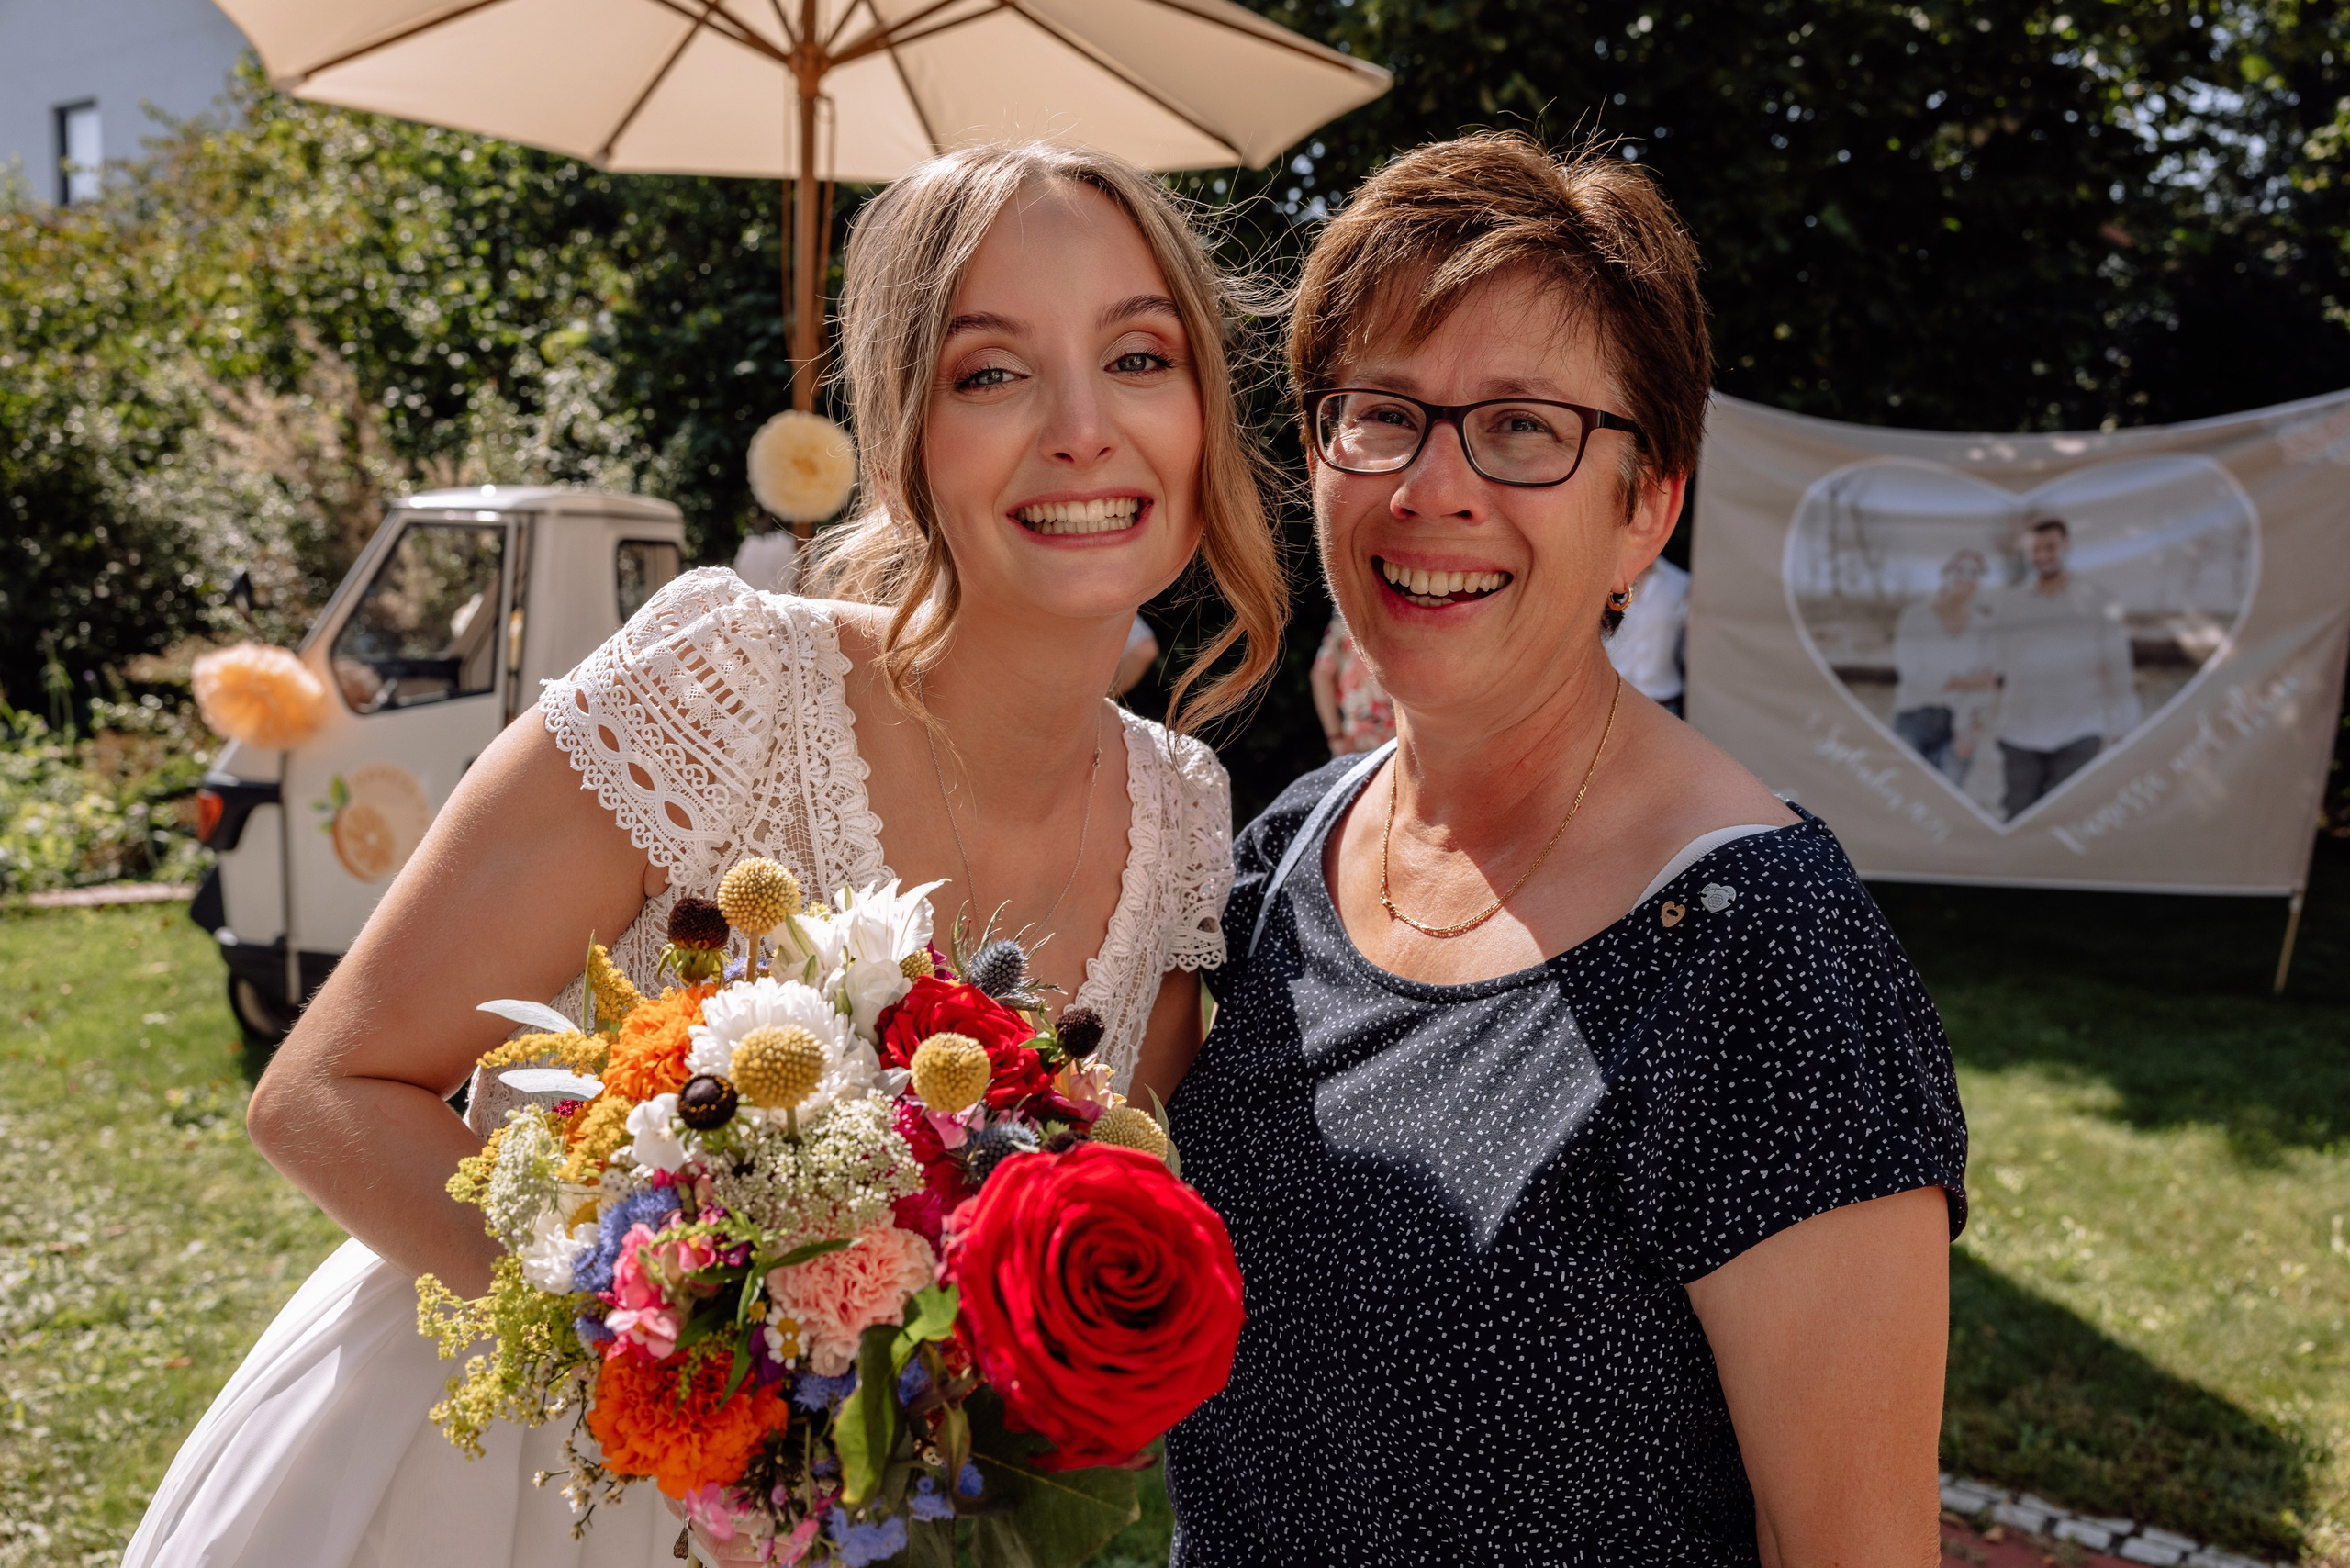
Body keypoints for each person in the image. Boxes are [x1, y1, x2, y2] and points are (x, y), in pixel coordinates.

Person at [125, 140, 1285, 1568]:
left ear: (1205, 404)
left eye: (1139, 356)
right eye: (992, 372)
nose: (1084, 428)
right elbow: (324, 1094)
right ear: (906, 423)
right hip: (504, 1492)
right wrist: (697, 1389)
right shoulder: (728, 681)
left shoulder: (1183, 815)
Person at [1163, 134, 1965, 1567]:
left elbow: (1854, 1543)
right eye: (1383, 414)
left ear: (1643, 509)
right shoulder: (1289, 851)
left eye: (1523, 427)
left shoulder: (1759, 949)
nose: (1432, 488)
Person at [1990, 517, 2141, 817]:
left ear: (2066, 547)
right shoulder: (2010, 604)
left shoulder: (2098, 599)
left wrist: (2123, 728)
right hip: (2020, 731)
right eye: (2036, 549)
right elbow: (1996, 664)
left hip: (2080, 730)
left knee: (2068, 820)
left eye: (2051, 547)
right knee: (2018, 817)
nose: (2043, 555)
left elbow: (2118, 669)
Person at [1889, 547, 1996, 785]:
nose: (1965, 578)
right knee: (1904, 791)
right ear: (1946, 574)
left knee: (1947, 801)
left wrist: (1971, 730)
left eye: (1974, 573)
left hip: (1961, 725)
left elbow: (1986, 683)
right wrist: (1965, 681)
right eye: (1959, 570)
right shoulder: (1915, 618)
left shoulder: (1983, 626)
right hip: (1912, 718)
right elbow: (1912, 675)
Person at [1604, 554, 1689, 714]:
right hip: (1609, 703)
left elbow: (1690, 650)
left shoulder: (1680, 583)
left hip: (1664, 707)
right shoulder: (1604, 578)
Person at [1309, 609, 1395, 755]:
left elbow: (1321, 674)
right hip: (1365, 744)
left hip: (1360, 745)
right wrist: (1336, 738)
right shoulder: (1345, 617)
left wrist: (1335, 738)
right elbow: (1321, 675)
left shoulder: (1347, 614)